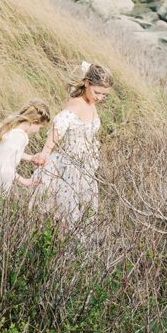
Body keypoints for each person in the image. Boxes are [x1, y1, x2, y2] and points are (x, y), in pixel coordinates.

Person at [30, 61, 113, 225]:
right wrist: (45, 153)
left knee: (84, 214)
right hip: (69, 167)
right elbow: (57, 129)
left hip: (86, 166)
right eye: (97, 92)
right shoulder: (75, 104)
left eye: (104, 95)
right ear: (87, 83)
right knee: (68, 215)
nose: (100, 97)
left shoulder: (91, 102)